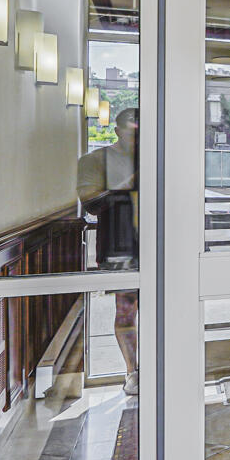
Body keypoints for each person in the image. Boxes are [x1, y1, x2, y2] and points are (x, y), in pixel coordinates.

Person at [77, 107, 140, 397]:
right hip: (120, 245)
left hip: (162, 245)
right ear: (118, 131)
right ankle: (133, 371)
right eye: (133, 132)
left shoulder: (159, 157)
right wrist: (127, 184)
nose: (138, 139)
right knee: (125, 311)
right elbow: (91, 205)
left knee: (166, 309)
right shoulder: (95, 161)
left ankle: (161, 366)